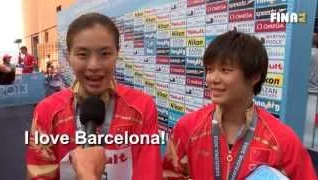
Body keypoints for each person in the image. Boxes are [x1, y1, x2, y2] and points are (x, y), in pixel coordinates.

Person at [163, 31, 317, 179]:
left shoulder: (283, 140)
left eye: (225, 70)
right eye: (210, 70)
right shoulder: (188, 127)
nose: (212, 79)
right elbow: (169, 175)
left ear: (254, 76)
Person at [26, 12, 162, 180]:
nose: (94, 65)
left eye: (105, 54)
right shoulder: (48, 111)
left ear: (117, 53)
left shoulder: (141, 107)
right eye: (82, 54)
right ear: (68, 56)